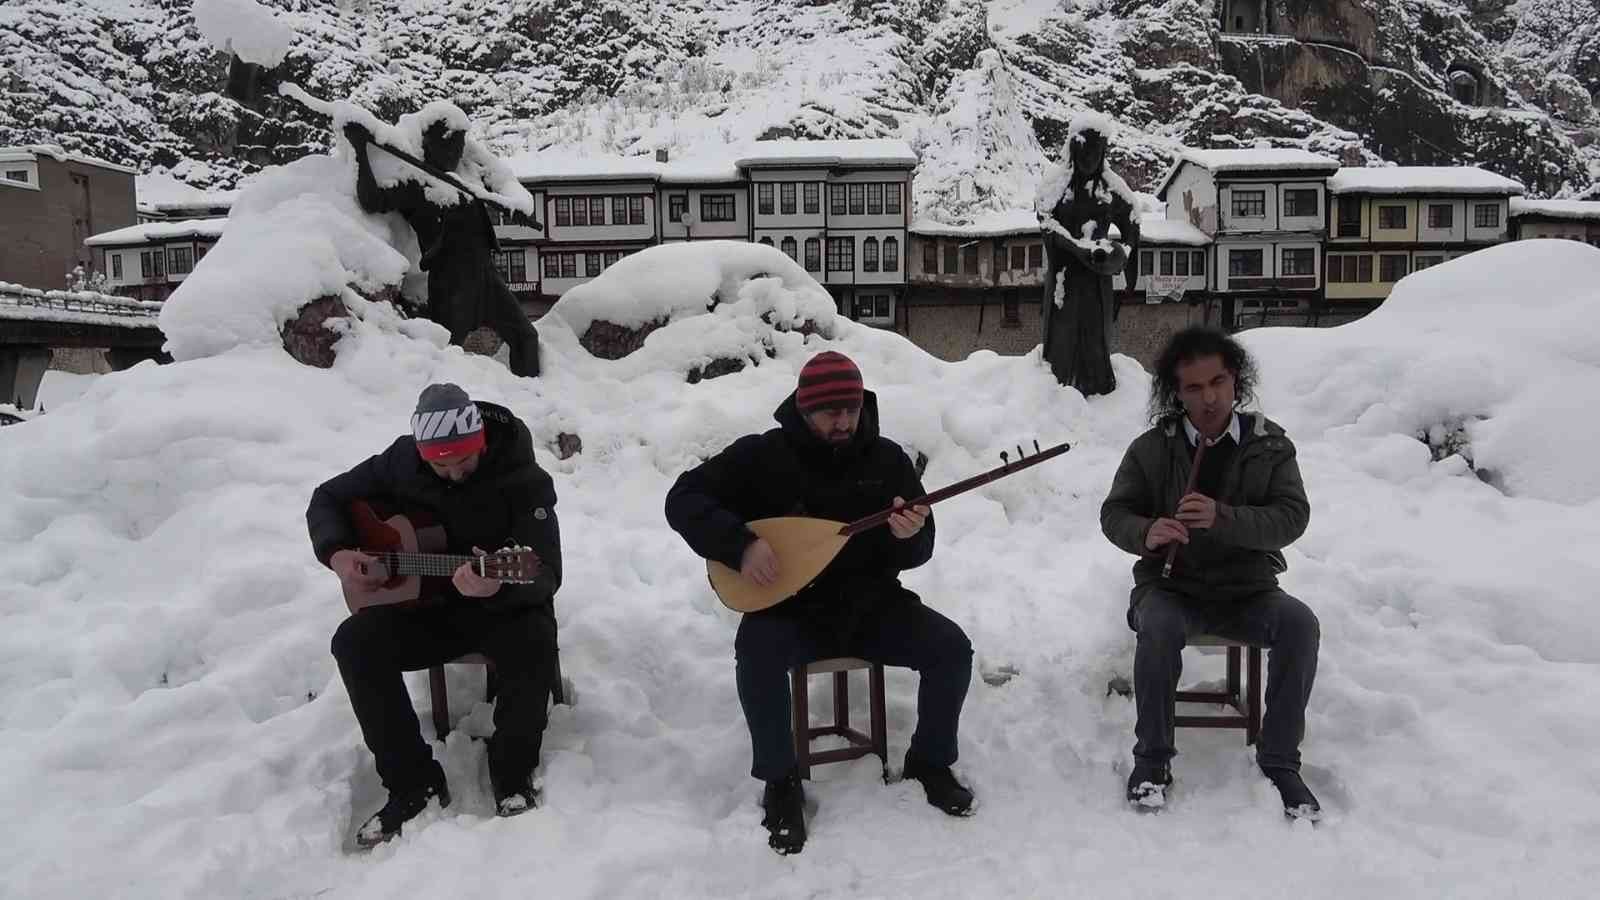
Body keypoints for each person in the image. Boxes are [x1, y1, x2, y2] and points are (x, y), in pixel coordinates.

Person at [664, 351, 976, 855]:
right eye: (831, 412)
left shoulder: (887, 460)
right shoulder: (762, 457)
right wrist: (739, 545)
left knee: (951, 649)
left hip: (871, 605)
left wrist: (911, 535)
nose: (844, 422)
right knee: (757, 654)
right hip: (791, 610)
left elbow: (921, 550)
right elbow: (683, 497)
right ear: (804, 409)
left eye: (851, 409)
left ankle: (930, 762)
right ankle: (781, 779)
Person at [307, 383, 562, 847]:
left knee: (536, 640)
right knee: (354, 642)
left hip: (501, 609)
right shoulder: (400, 462)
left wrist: (497, 581)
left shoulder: (524, 480)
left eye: (464, 460)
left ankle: (511, 775)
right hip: (423, 608)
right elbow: (327, 498)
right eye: (439, 464)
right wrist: (338, 553)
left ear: (481, 441)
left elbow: (546, 570)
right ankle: (412, 785)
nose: (453, 472)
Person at [1099, 327, 1322, 819]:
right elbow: (1114, 514)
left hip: (1247, 589)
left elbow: (1292, 517)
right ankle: (1152, 762)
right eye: (1194, 388)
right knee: (1157, 627)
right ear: (1176, 394)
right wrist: (1148, 531)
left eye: (1218, 382)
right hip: (1171, 587)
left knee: (1300, 624)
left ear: (1235, 381)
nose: (1209, 398)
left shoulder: (1270, 445)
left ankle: (1281, 760)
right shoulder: (1153, 448)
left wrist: (1225, 518)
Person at [343, 117, 543, 377]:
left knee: (526, 336)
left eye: (458, 148)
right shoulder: (416, 182)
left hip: (487, 275)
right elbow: (372, 200)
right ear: (428, 144)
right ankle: (450, 407)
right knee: (447, 353)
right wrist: (359, 149)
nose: (453, 154)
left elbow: (509, 187)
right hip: (450, 281)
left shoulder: (470, 173)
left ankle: (529, 395)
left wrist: (517, 206)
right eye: (446, 147)